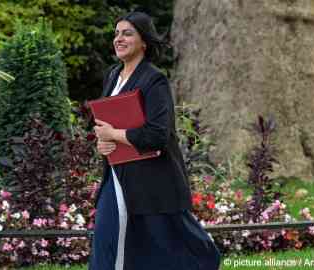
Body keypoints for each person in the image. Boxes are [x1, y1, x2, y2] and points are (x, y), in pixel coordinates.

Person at [89, 11, 221, 270]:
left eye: (127, 33)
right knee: (106, 240)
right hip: (116, 176)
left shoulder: (154, 79)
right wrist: (102, 144)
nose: (119, 38)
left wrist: (114, 135)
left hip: (151, 181)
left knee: (165, 246)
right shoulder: (112, 76)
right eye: (116, 33)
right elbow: (102, 126)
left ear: (144, 42)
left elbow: (158, 134)